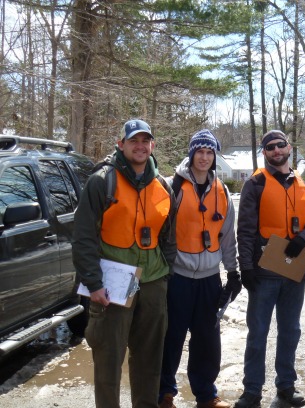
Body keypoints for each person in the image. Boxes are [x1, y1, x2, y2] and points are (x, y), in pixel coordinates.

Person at [73, 119, 177, 408]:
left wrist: (165, 275)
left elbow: (169, 236)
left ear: (152, 146)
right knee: (108, 360)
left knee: (149, 360)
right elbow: (82, 238)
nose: (140, 146)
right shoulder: (101, 181)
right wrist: (93, 284)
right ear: (121, 144)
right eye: (133, 141)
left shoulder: (163, 186)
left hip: (153, 282)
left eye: (145, 141)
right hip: (113, 286)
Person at [235, 130, 305, 408]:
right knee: (258, 332)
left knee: (290, 331)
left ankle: (286, 385)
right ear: (264, 153)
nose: (275, 150)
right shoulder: (255, 184)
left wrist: (303, 238)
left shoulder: (303, 186)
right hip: (263, 273)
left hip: (294, 273)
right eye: (269, 147)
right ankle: (252, 391)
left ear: (289, 147)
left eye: (280, 145)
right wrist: (246, 267)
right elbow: (245, 230)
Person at [158, 130, 240, 408]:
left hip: (209, 279)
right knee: (172, 336)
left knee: (207, 340)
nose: (204, 158)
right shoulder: (173, 187)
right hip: (178, 277)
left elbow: (228, 235)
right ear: (191, 153)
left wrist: (232, 272)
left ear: (215, 156)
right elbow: (161, 231)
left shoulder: (223, 190)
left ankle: (206, 394)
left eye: (209, 153)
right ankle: (164, 393)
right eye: (199, 152)